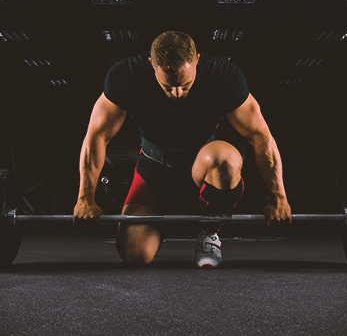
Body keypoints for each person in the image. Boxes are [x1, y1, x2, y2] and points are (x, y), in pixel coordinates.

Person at [73, 31, 291, 268]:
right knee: (135, 255)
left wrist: (278, 197)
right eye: (168, 85)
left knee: (226, 159)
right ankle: (156, 225)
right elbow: (97, 136)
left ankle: (209, 233)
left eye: (185, 84)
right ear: (152, 64)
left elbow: (260, 136)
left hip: (201, 166)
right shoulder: (126, 75)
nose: (177, 93)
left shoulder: (223, 76)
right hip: (153, 171)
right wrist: (85, 198)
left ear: (197, 60)